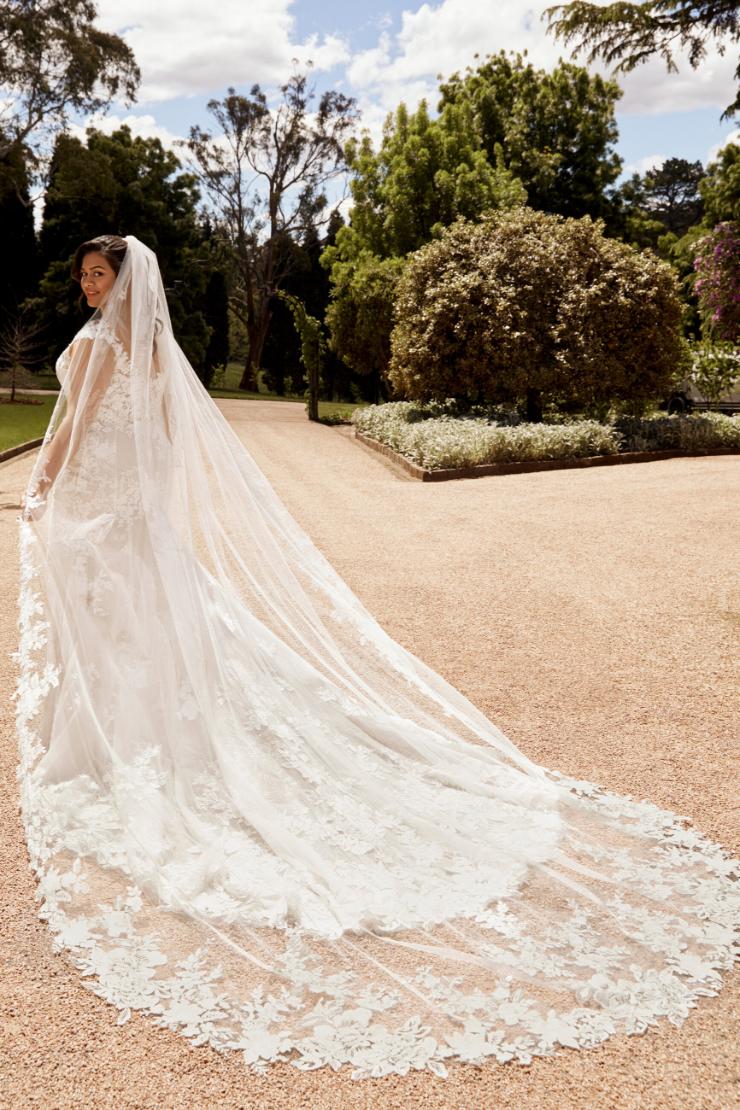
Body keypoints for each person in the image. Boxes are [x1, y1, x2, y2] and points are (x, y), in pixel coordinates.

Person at [13, 234, 738, 1080]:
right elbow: (163, 432)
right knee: (140, 619)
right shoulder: (158, 349)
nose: (91, 288)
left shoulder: (106, 346)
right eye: (85, 278)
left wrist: (44, 485)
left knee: (119, 618)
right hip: (130, 497)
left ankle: (112, 743)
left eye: (100, 275)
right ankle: (117, 729)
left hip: (106, 495)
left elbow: (74, 422)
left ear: (125, 280)